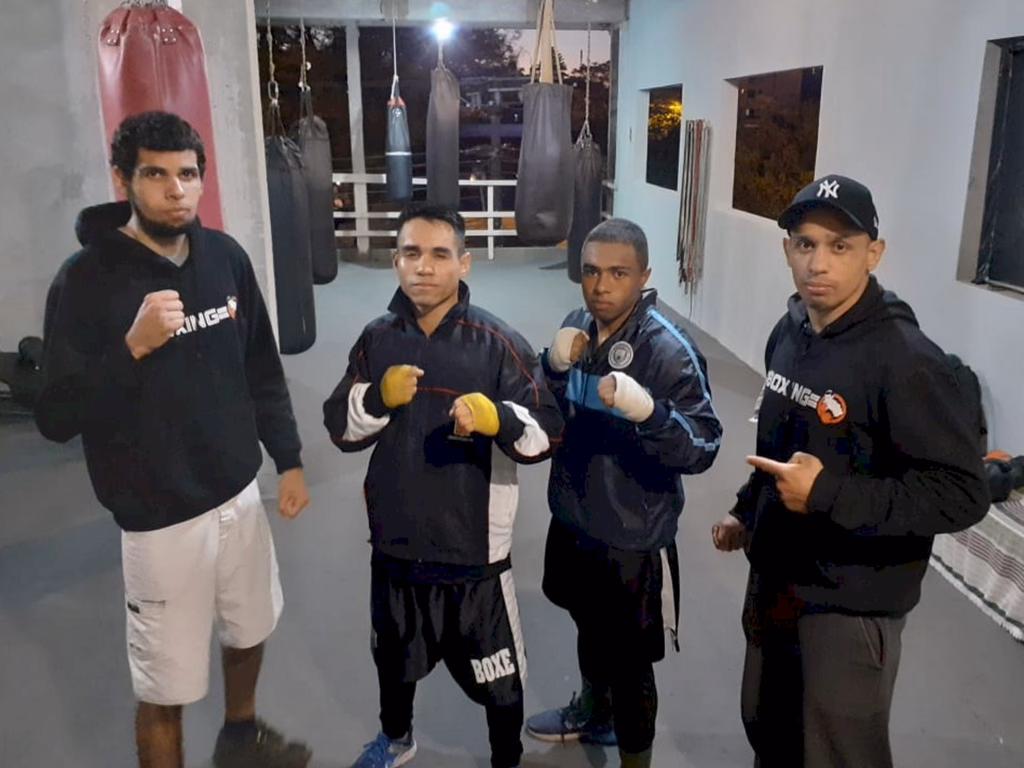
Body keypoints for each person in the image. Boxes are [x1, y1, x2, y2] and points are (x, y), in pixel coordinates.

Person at [35, 111, 312, 768]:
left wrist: (289, 460)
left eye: (187, 174)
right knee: (165, 687)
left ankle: (240, 734)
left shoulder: (225, 258)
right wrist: (131, 348)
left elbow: (261, 368)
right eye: (156, 175)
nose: (175, 190)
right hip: (159, 516)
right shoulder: (85, 281)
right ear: (122, 179)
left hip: (239, 494)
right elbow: (56, 416)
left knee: (249, 628)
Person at [711, 174, 990, 768]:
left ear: (873, 253)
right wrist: (747, 508)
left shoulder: (907, 360)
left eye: (840, 246)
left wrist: (829, 494)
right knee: (768, 731)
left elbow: (962, 494)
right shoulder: (790, 332)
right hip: (776, 577)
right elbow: (783, 446)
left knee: (838, 754)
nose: (818, 263)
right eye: (805, 244)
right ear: (786, 249)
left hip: (850, 603)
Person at [323, 204, 564, 768]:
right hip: (396, 545)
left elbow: (548, 431)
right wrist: (377, 397)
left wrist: (498, 419)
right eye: (411, 253)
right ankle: (396, 738)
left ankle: (506, 757)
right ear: (395, 261)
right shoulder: (377, 338)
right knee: (393, 660)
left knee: (499, 680)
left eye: (439, 254)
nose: (424, 267)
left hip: (473, 554)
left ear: (464, 262)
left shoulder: (497, 342)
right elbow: (339, 426)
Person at [524, 218, 723, 768]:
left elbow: (705, 445)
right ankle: (593, 709)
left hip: (633, 537)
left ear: (644, 276)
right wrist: (550, 367)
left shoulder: (668, 350)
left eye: (618, 273)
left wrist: (650, 412)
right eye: (591, 271)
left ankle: (635, 759)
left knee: (632, 665)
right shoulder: (574, 326)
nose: (601, 286)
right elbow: (545, 409)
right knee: (586, 625)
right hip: (573, 517)